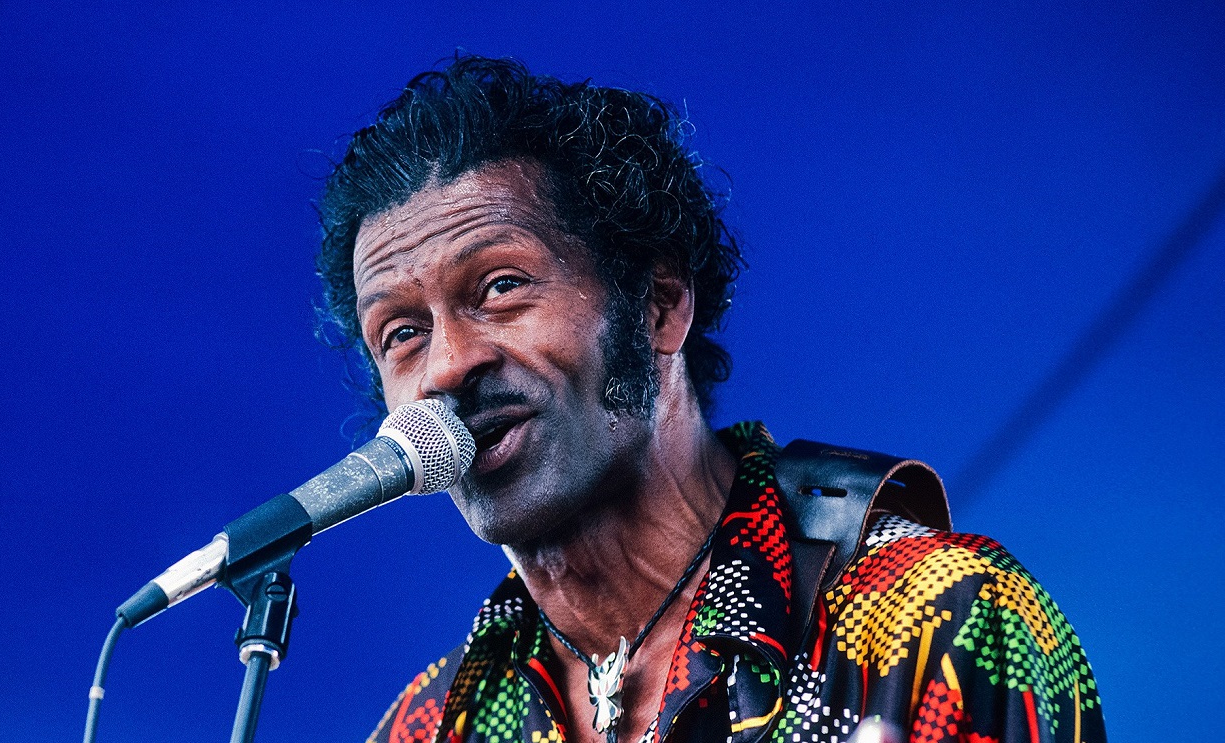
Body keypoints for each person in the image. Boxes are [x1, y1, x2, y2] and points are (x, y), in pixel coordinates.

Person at [314, 55, 1105, 743]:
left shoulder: (931, 617)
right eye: (402, 333)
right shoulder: (430, 724)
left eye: (500, 286)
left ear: (659, 304)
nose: (448, 364)